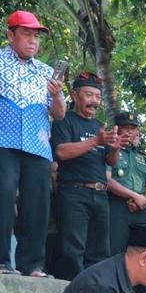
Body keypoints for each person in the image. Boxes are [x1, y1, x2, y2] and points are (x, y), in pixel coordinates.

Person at [0, 10, 65, 276]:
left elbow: (59, 114)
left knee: (37, 203)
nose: (33, 41)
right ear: (11, 35)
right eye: (26, 34)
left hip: (37, 144)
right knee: (1, 197)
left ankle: (32, 264)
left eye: (36, 36)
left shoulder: (46, 71)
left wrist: (56, 96)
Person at [51, 71, 119, 279]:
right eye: (89, 95)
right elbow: (61, 152)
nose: (94, 101)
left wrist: (115, 148)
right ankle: (71, 290)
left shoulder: (98, 125)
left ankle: (94, 292)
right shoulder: (64, 120)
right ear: (75, 95)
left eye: (97, 97)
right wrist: (94, 142)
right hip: (74, 191)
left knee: (100, 250)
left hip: (100, 193)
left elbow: (110, 160)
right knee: (73, 249)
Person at [105, 111, 146, 255]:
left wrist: (143, 201)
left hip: (141, 210)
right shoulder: (110, 151)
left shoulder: (142, 157)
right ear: (117, 128)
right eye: (125, 127)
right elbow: (108, 180)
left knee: (141, 254)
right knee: (116, 252)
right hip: (118, 207)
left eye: (133, 128)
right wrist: (135, 196)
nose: (130, 131)